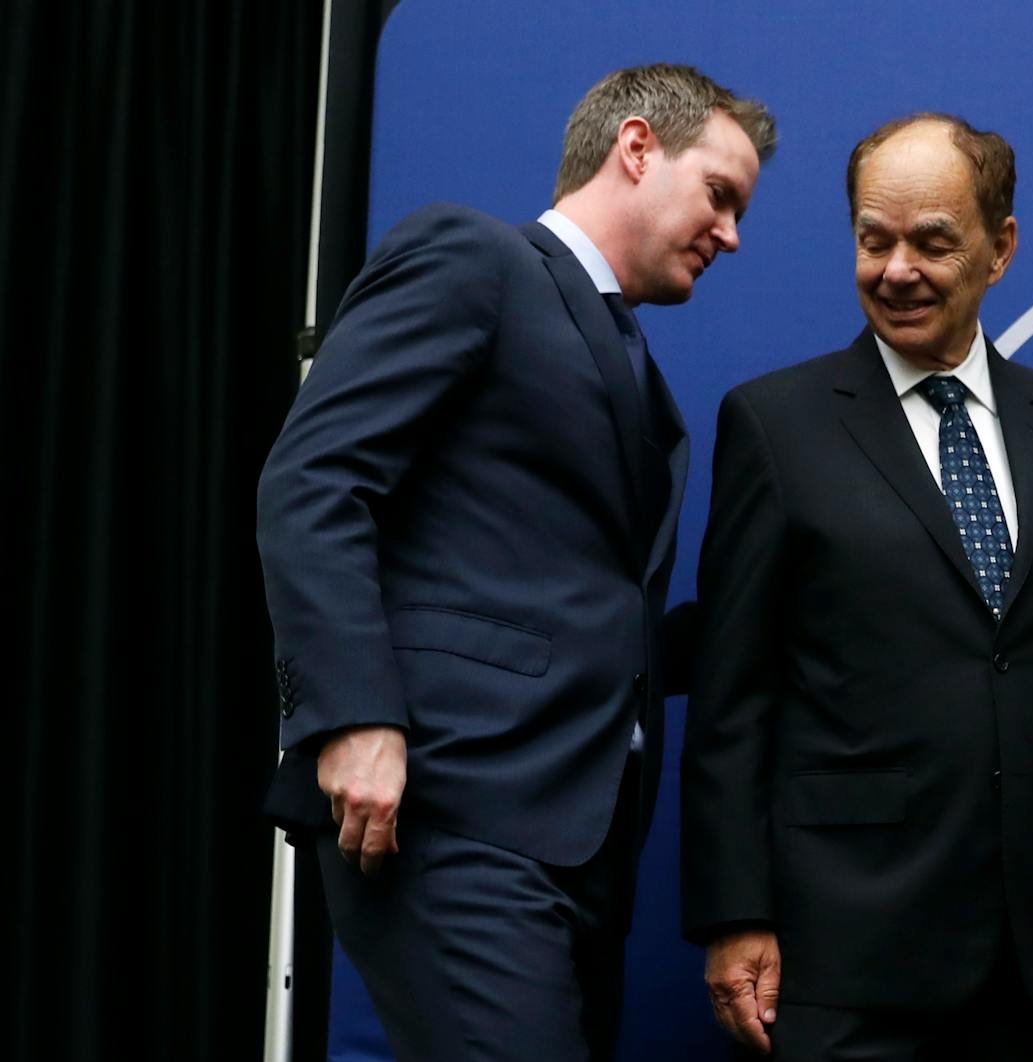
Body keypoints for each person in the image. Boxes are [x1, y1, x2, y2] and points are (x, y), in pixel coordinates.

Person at [256, 63, 774, 1061]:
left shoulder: (643, 382)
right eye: (718, 194)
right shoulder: (473, 256)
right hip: (449, 811)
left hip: (575, 849)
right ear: (635, 147)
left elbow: (590, 615)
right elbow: (313, 482)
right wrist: (353, 714)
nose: (730, 234)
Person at [681, 112, 1033, 1061]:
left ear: (1000, 249)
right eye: (873, 240)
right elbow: (731, 701)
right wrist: (732, 914)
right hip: (835, 962)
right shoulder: (775, 425)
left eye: (932, 242)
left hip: (1028, 957)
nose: (896, 271)